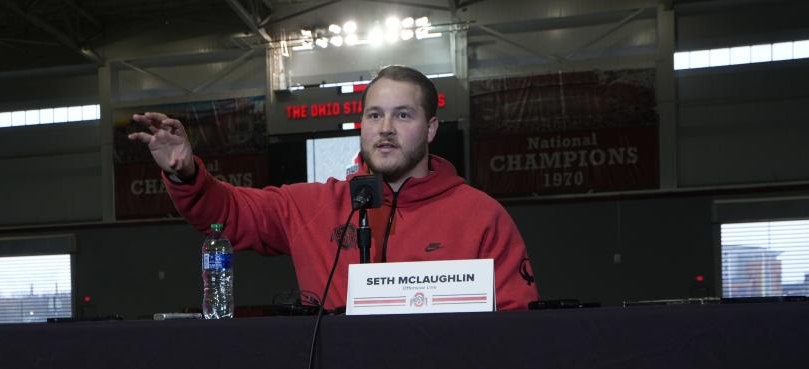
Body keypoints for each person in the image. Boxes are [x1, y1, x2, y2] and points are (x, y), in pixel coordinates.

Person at [129, 65, 539, 310]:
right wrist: (185, 173)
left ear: (431, 128)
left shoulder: (482, 217)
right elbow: (227, 211)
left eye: (403, 115)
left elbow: (516, 327)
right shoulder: (312, 205)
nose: (386, 129)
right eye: (375, 115)